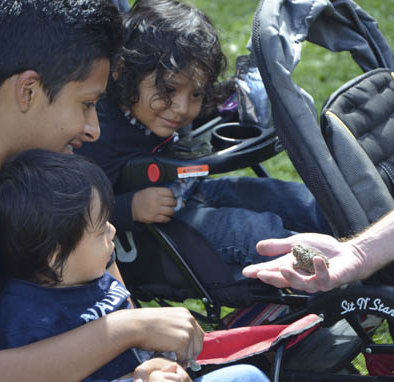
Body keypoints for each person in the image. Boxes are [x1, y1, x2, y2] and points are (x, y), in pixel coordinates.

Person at [0, 1, 209, 381]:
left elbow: (118, 304)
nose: (94, 129)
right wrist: (129, 330)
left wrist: (147, 367)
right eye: (87, 104)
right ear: (27, 91)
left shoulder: (65, 184)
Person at [76, 0, 331, 268]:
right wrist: (130, 207)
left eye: (196, 93)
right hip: (155, 237)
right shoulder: (99, 133)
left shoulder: (159, 109)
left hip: (191, 191)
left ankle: (357, 238)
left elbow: (214, 105)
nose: (183, 109)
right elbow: (71, 212)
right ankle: (330, 269)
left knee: (291, 199)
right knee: (253, 232)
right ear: (122, 72)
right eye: (168, 90)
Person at [0, 149, 270, 382]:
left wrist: (162, 366)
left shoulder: (91, 274)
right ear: (55, 255)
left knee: (248, 376)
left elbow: (140, 349)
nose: (112, 231)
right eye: (100, 230)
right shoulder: (26, 317)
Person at [242, 209, 394, 293]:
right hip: (322, 261)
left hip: (316, 263)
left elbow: (299, 264)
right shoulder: (302, 254)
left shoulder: (300, 259)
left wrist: (359, 253)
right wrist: (358, 252)